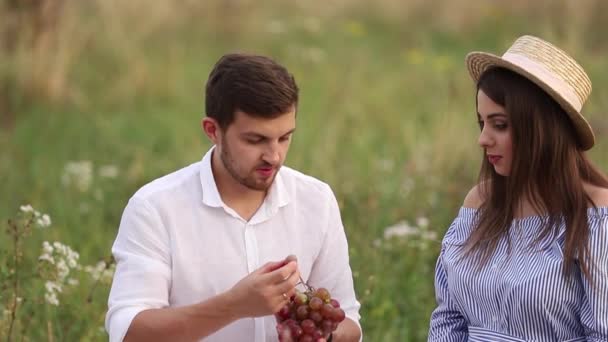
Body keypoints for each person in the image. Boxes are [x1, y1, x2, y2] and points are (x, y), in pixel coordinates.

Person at [105, 53, 362, 342]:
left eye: (284, 137)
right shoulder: (155, 208)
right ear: (213, 131)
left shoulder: (316, 200)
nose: (274, 156)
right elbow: (128, 333)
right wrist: (233, 306)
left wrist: (321, 337)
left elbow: (349, 322)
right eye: (255, 140)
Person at [428, 35, 608, 341]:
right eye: (481, 123)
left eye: (499, 125)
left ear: (542, 129)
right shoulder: (480, 202)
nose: (483, 139)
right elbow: (449, 316)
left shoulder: (595, 215)